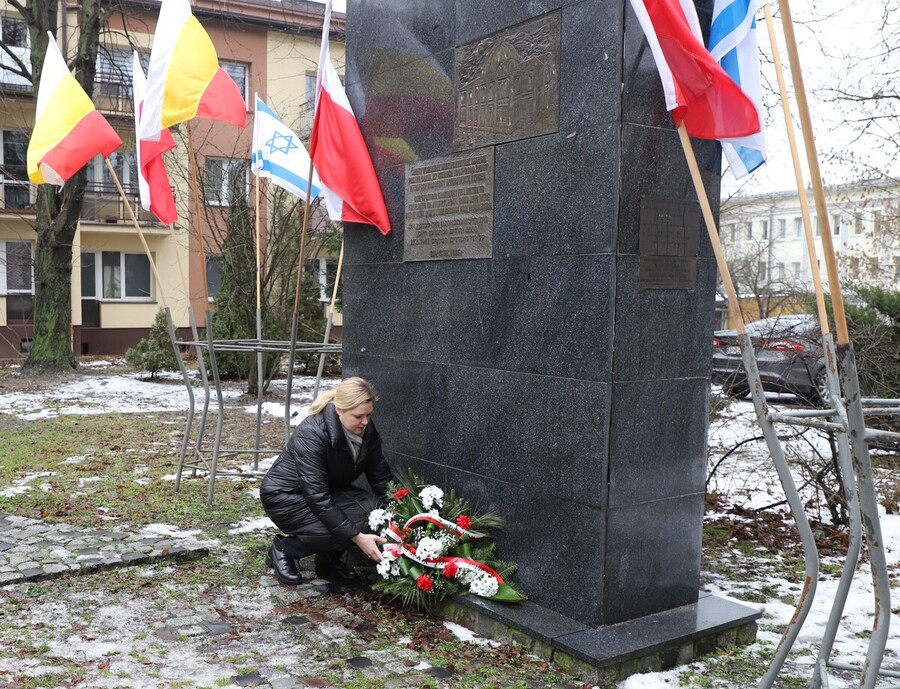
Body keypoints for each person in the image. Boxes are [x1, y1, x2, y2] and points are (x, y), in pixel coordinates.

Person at [260, 377, 392, 585]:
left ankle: (327, 560)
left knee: (375, 513)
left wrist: (403, 511)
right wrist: (357, 537)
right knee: (346, 529)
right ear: (339, 409)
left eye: (369, 415)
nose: (365, 422)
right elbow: (317, 497)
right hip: (285, 498)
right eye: (359, 416)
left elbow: (381, 477)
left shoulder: (366, 429)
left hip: (329, 492)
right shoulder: (312, 433)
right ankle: (285, 549)